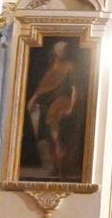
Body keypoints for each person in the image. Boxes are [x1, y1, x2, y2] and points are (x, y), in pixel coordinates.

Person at [24, 40, 82, 180]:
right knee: (49, 140)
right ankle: (55, 168)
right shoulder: (53, 67)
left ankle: (62, 169)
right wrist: (33, 99)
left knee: (58, 139)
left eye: (64, 50)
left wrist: (71, 107)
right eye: (60, 50)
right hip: (47, 107)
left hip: (61, 105)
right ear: (55, 52)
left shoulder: (70, 67)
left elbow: (75, 89)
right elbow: (43, 87)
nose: (62, 52)